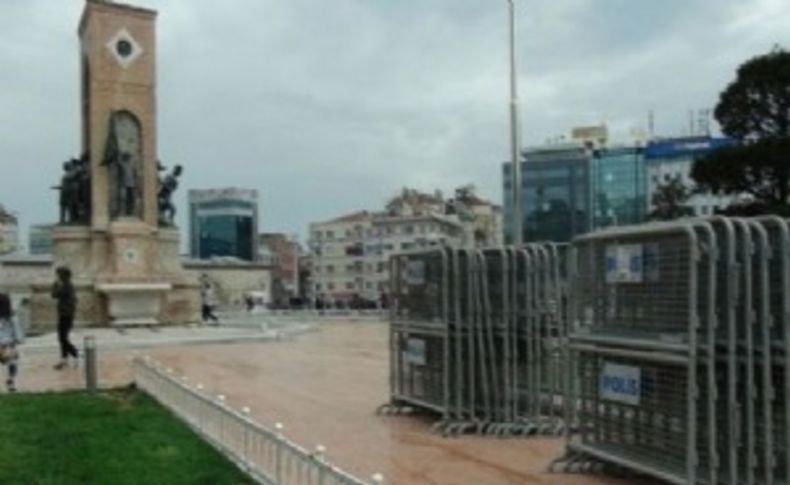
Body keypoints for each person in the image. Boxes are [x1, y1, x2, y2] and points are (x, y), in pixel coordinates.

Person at [51, 266, 78, 369]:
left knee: (62, 337)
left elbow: (54, 295)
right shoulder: (67, 285)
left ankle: (75, 353)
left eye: (58, 274)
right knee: (63, 338)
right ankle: (64, 359)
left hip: (66, 315)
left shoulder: (67, 286)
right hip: (65, 314)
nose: (57, 276)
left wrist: (55, 285)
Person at [0, 294, 24, 392]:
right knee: (13, 361)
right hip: (9, 344)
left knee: (10, 360)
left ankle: (11, 380)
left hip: (3, 344)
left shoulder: (10, 317)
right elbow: (17, 329)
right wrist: (18, 340)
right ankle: (11, 380)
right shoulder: (12, 316)